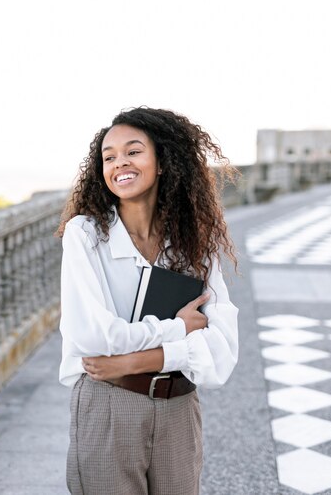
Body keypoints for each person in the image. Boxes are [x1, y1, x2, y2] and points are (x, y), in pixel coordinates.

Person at [56, 106, 239, 495]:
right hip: (109, 404)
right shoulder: (85, 235)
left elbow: (222, 350)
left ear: (162, 161)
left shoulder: (195, 242)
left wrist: (139, 359)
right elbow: (93, 339)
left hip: (179, 405)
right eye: (109, 156)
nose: (119, 162)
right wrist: (179, 329)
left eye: (133, 151)